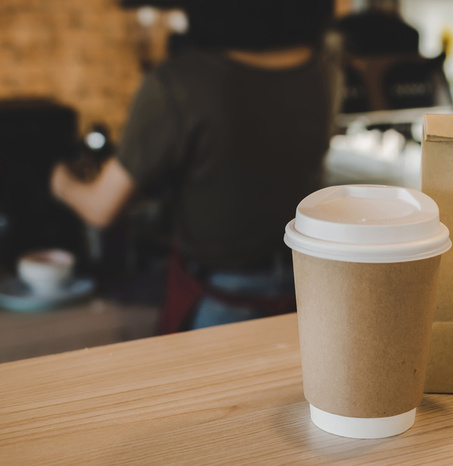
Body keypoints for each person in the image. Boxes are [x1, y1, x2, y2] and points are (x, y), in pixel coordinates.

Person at [51, 0, 335, 332]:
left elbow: (101, 208)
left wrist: (59, 180)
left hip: (222, 299)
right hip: (307, 286)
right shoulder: (323, 69)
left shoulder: (180, 83)